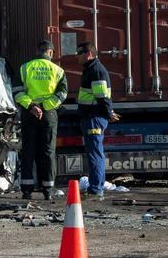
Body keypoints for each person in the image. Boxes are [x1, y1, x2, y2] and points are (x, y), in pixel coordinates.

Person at [14, 40, 68, 201]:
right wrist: (44, 107)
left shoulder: (25, 68)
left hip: (29, 113)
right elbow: (62, 94)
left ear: (38, 51)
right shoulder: (58, 70)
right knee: (48, 151)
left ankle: (27, 190)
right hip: (49, 114)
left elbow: (17, 91)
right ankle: (48, 189)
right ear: (51, 53)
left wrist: (32, 106)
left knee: (28, 151)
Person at [76, 42, 120, 200]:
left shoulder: (95, 70)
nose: (77, 56)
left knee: (95, 153)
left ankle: (96, 189)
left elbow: (102, 96)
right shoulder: (92, 69)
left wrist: (109, 113)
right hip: (92, 116)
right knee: (96, 152)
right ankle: (97, 186)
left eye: (79, 53)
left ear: (88, 54)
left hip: (94, 118)